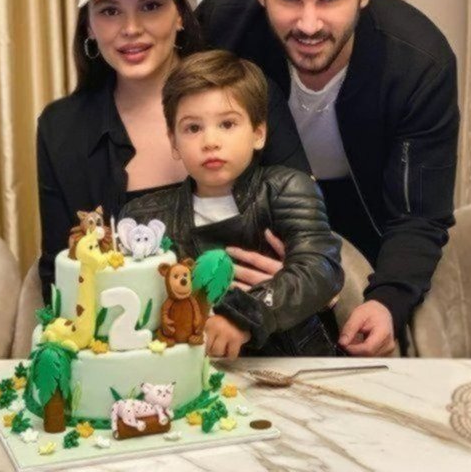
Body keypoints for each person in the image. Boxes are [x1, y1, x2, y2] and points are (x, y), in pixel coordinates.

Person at [196, 0, 460, 356]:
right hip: (254, 231)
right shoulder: (221, 25)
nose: (309, 24)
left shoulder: (420, 63)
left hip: (370, 222)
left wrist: (386, 300)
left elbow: (418, 214)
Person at [37, 0, 308, 302]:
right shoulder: (60, 129)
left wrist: (296, 284)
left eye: (150, 6)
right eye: (110, 11)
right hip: (126, 332)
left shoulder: (249, 91)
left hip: (264, 321)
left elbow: (310, 239)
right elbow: (58, 271)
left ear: (180, 14)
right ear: (89, 26)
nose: (131, 29)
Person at [119, 49, 344, 358]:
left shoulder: (287, 188)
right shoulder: (145, 220)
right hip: (191, 371)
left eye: (227, 124)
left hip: (294, 363)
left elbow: (320, 269)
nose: (210, 141)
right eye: (193, 128)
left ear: (258, 134)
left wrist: (244, 315)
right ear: (174, 142)